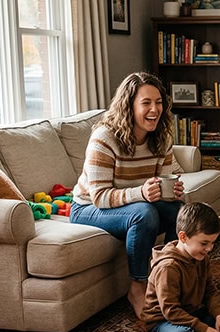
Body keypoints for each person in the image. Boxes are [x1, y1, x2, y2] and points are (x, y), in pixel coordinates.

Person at [71, 72, 184, 319]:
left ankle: (167, 280)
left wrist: (171, 193)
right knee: (144, 214)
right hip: (88, 208)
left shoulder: (162, 138)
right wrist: (141, 192)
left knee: (179, 211)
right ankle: (137, 286)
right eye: (146, 103)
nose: (155, 109)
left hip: (132, 204)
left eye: (159, 102)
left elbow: (161, 184)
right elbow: (99, 196)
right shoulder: (105, 138)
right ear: (129, 106)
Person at [142, 202, 220, 332]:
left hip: (191, 314)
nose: (209, 249)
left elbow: (210, 291)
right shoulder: (168, 267)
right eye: (204, 243)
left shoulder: (200, 257)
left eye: (212, 243)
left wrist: (219, 317)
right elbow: (170, 311)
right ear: (183, 237)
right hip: (164, 322)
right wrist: (203, 329)